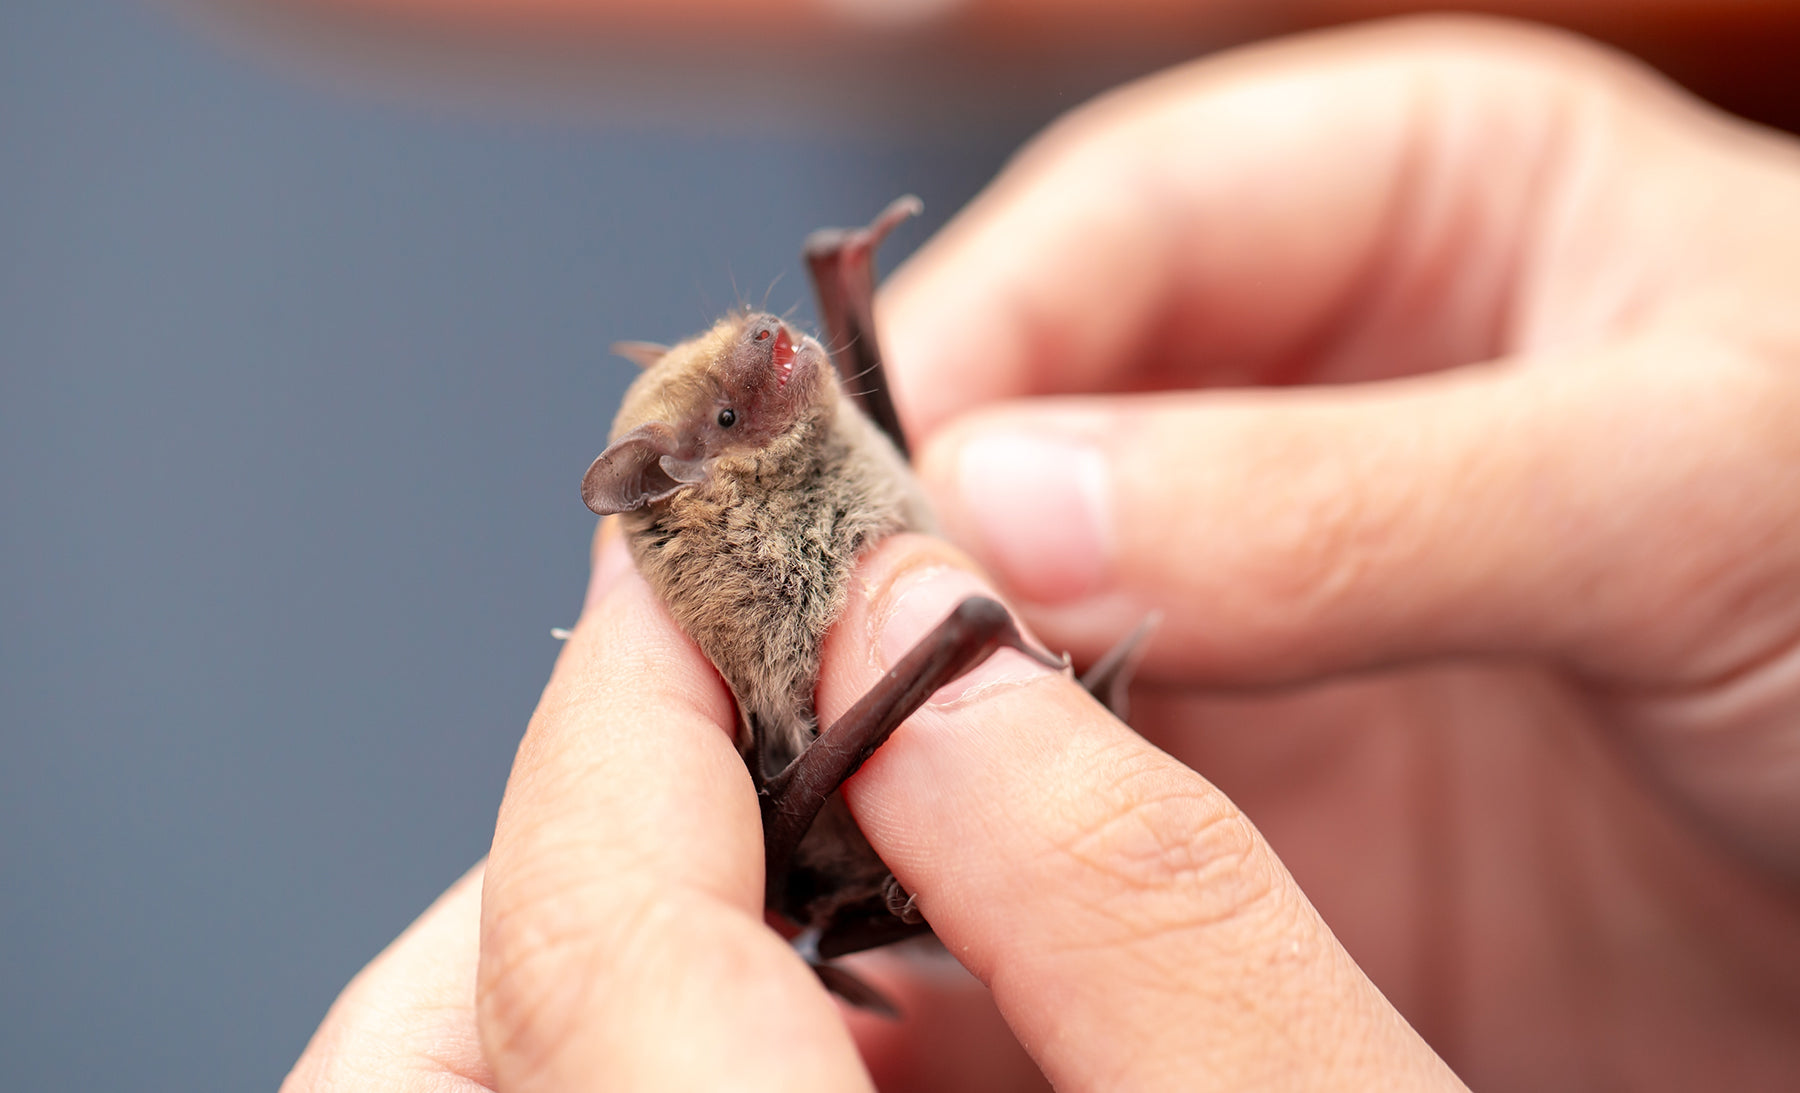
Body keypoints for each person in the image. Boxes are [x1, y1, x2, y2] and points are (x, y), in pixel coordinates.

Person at [283, 17, 1800, 1091]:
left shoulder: (836, 423)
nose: (781, 361)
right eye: (747, 400)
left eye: (776, 346)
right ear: (692, 474)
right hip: (865, 792)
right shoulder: (728, 568)